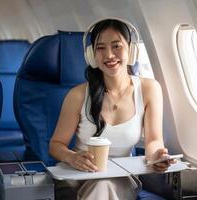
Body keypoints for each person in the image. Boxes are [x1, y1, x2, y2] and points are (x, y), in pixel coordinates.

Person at [49, 18, 176, 200]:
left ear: (131, 51)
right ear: (92, 55)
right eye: (101, 48)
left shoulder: (149, 90)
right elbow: (55, 145)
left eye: (116, 46)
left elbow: (153, 141)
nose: (109, 55)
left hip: (119, 178)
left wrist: (158, 156)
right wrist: (71, 157)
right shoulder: (77, 96)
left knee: (103, 186)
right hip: (77, 176)